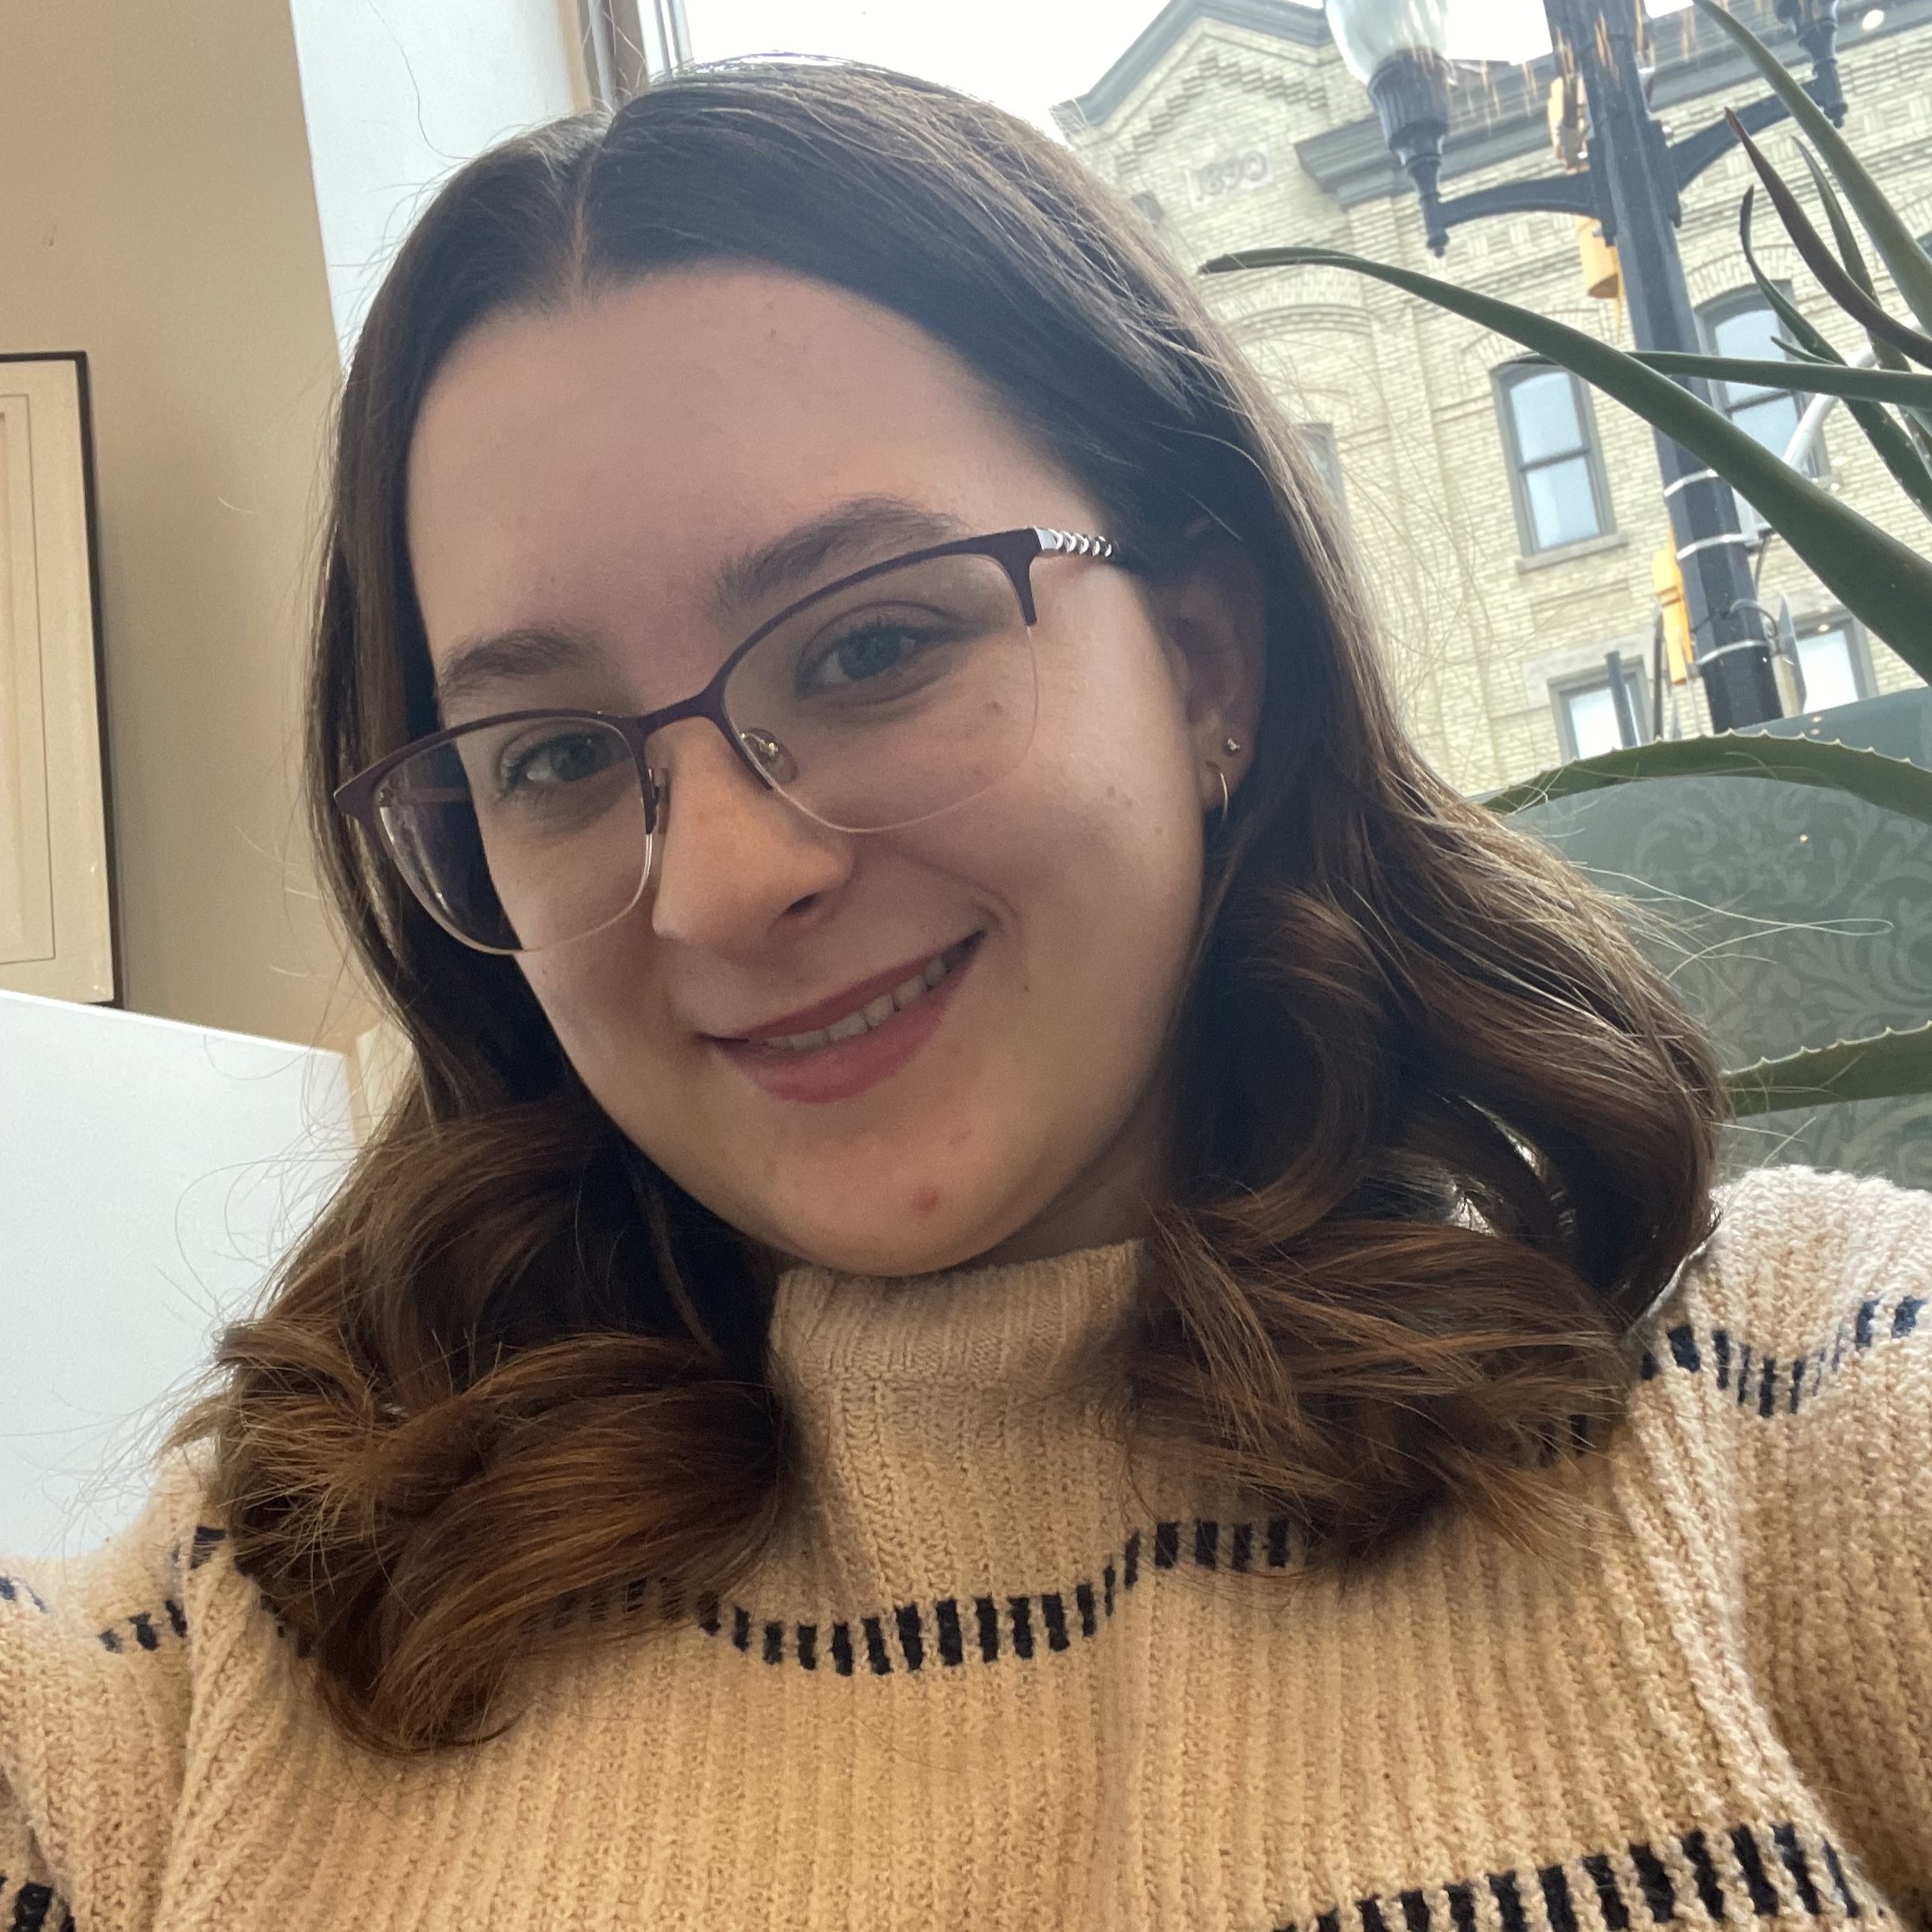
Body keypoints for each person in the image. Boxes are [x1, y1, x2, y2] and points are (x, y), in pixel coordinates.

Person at [2, 58, 1927, 1932]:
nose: (727, 883)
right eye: (559, 759)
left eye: (873, 647)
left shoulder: (1805, 1417)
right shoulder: (230, 1646)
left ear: (1205, 659)